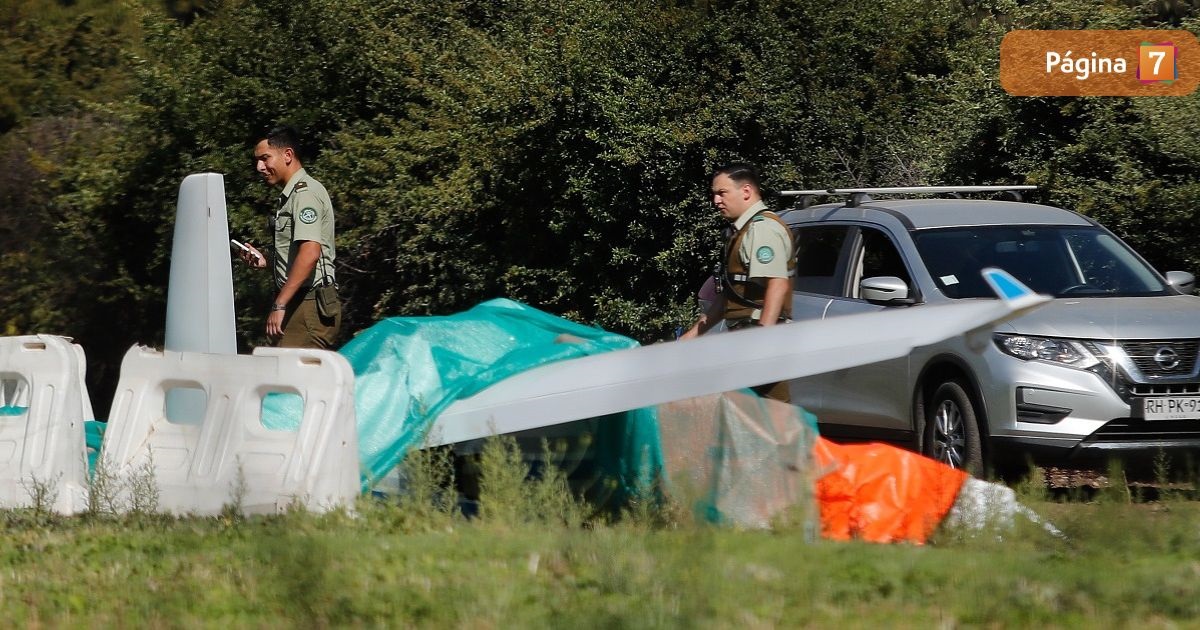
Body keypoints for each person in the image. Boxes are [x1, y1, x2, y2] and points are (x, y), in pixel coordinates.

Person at [680, 163, 794, 402]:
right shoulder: (741, 231)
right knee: (749, 418)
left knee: (773, 419)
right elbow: (731, 296)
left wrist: (763, 337)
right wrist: (691, 336)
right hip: (745, 340)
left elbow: (777, 283)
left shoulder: (762, 230)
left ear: (746, 191)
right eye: (714, 194)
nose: (716, 200)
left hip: (758, 340)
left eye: (722, 193)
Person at [237, 125, 341, 349]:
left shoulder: (305, 195)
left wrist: (280, 304)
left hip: (309, 303)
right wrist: (267, 262)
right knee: (285, 379)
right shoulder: (291, 196)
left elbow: (311, 253)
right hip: (299, 302)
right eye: (257, 161)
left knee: (294, 381)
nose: (259, 167)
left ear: (288, 155)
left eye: (265, 158)